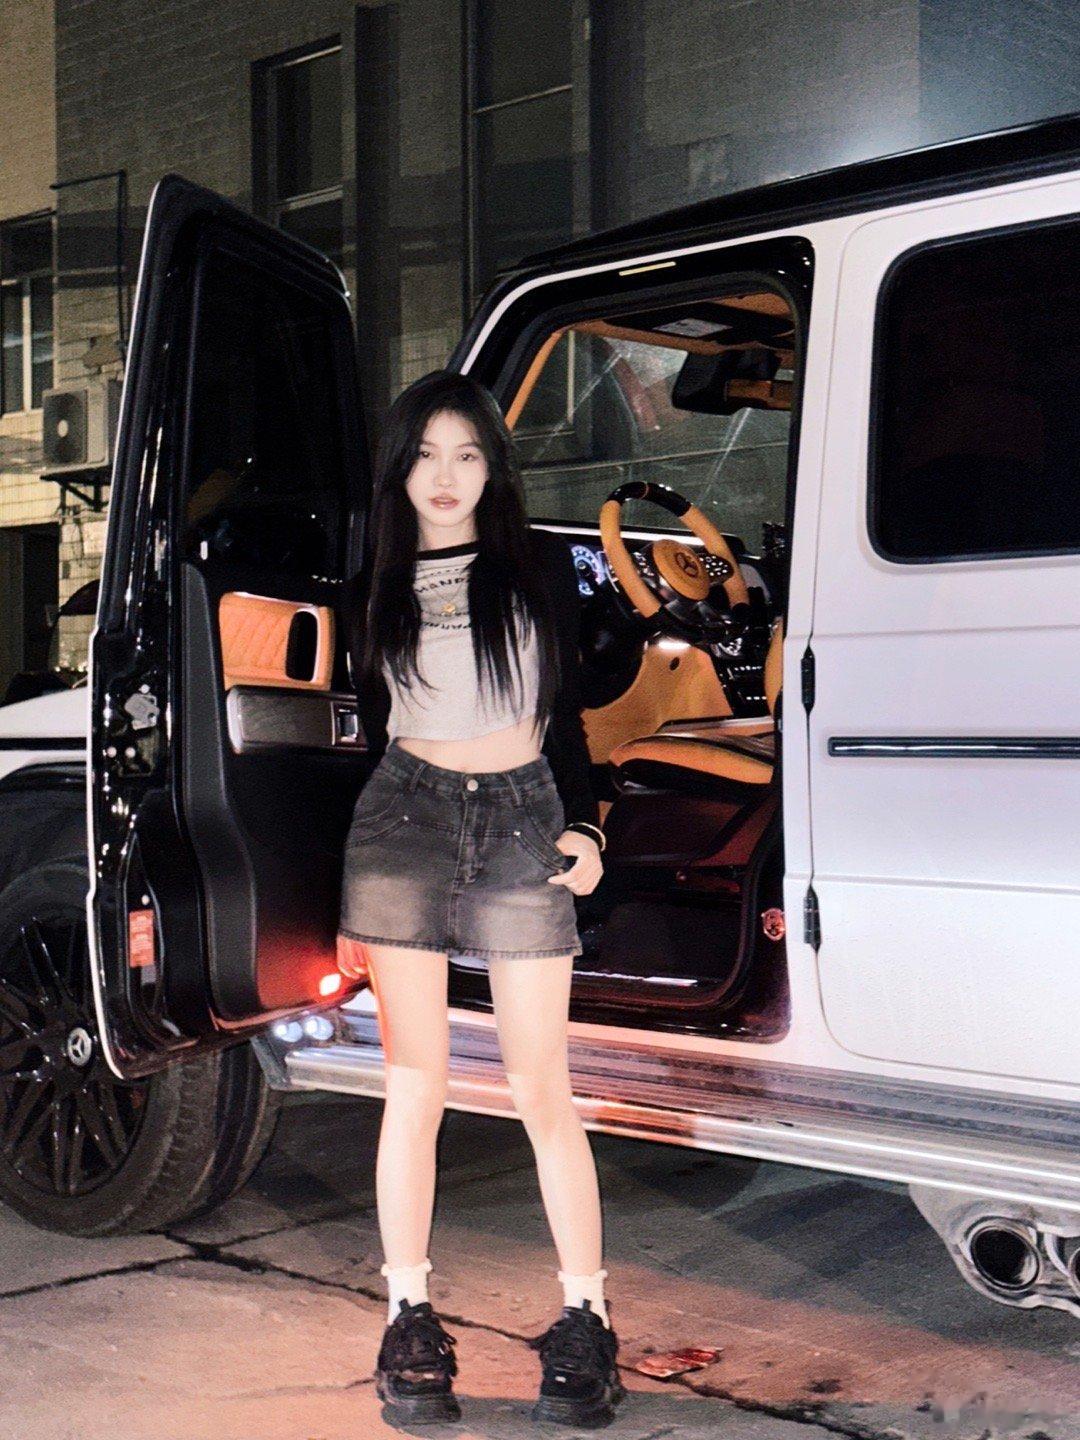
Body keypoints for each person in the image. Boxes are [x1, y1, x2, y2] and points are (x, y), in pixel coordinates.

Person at [337, 370, 624, 1428]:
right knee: (415, 1082)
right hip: (403, 817)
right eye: (425, 455)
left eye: (466, 454)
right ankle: (407, 1318)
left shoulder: (536, 567)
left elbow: (569, 720)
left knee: (541, 1083)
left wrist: (588, 826)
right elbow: (361, 730)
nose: (445, 476)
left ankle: (587, 1321)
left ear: (493, 468)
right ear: (399, 470)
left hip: (519, 816)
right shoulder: (373, 582)